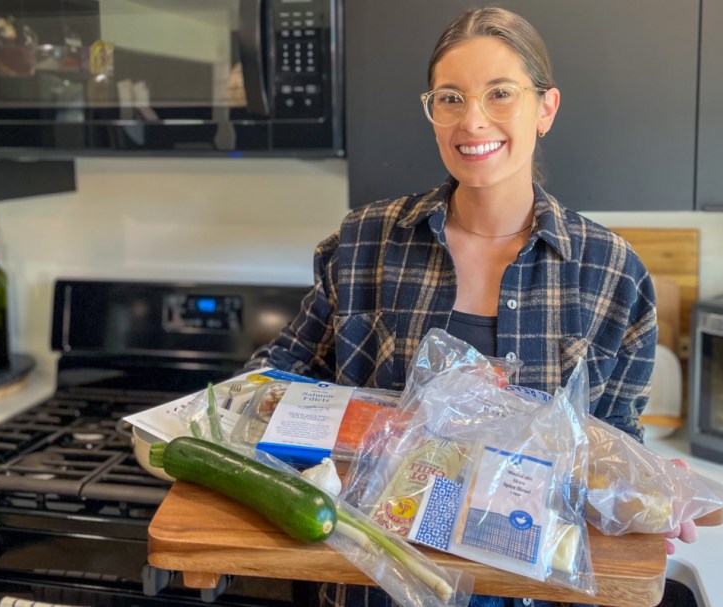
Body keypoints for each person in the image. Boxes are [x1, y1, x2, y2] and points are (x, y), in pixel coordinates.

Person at [245, 6, 694, 606]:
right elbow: (271, 387)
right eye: (450, 98)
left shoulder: (611, 274)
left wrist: (645, 487)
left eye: (500, 94)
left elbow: (610, 449)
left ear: (546, 109)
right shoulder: (365, 243)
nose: (471, 120)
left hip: (531, 589)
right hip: (370, 581)